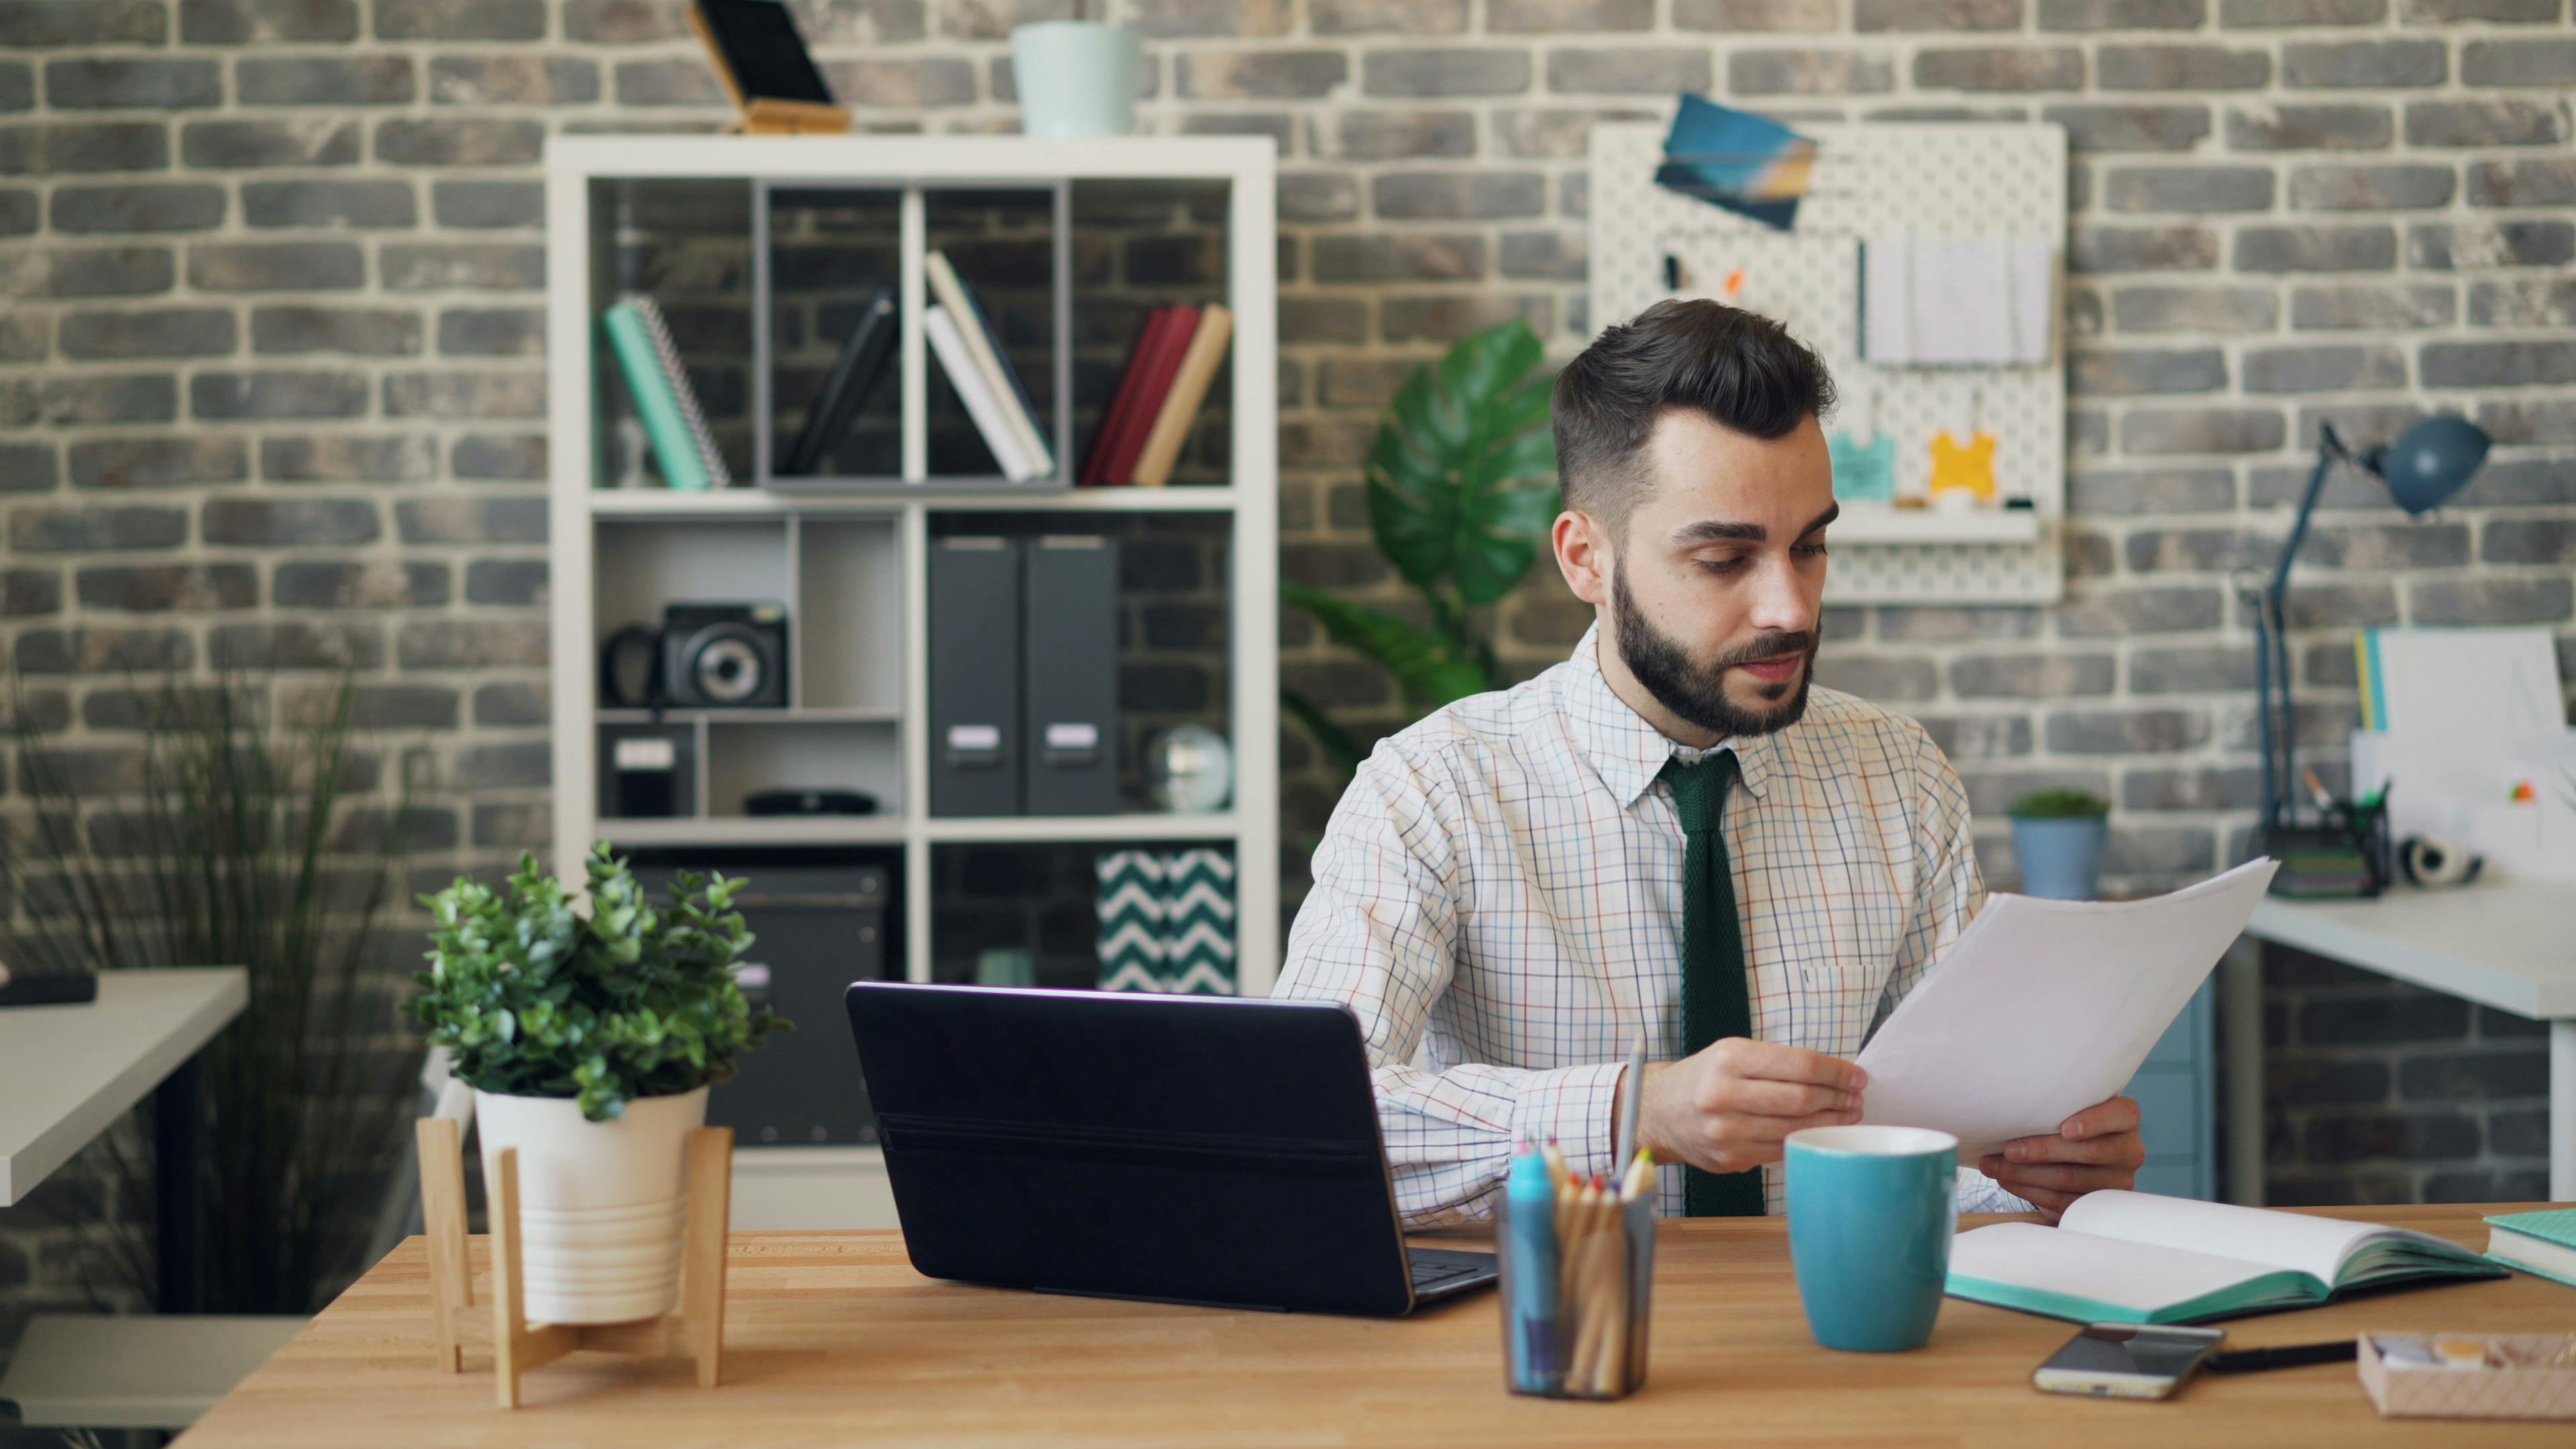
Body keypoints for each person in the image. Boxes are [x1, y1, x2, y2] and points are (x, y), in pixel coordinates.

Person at [1273, 299, 2143, 1224]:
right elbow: (1299, 1114)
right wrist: (1632, 1112)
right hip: (1548, 1341)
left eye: (1809, 546)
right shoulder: (1432, 791)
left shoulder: (1901, 778)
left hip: (1839, 1332)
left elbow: (1949, 1133)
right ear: (1585, 561)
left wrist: (2036, 1173)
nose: (1791, 609)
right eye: (1726, 559)